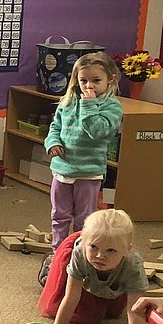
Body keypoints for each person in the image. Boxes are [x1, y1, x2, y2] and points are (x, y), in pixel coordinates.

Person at [38, 52, 122, 285]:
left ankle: (80, 254)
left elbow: (96, 130)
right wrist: (52, 143)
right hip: (63, 169)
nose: (89, 85)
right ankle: (59, 253)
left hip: (88, 171)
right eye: (83, 80)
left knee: (84, 218)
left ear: (110, 80)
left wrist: (89, 104)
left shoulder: (111, 107)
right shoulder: (68, 101)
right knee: (59, 214)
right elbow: (55, 127)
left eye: (96, 80)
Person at [37, 208, 151, 324]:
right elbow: (71, 297)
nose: (100, 256)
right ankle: (49, 264)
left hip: (108, 282)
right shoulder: (80, 253)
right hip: (80, 268)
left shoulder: (133, 266)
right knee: (79, 309)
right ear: (86, 244)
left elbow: (135, 309)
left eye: (110, 250)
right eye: (94, 247)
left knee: (112, 311)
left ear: (127, 250)